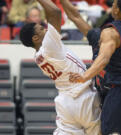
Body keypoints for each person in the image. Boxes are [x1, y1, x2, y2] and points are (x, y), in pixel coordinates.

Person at [62, 0, 121, 135]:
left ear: (116, 10)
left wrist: (84, 76)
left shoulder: (110, 33)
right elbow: (75, 16)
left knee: (109, 132)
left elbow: (103, 59)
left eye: (114, 4)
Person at [19, 0, 101, 135]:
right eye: (41, 29)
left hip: (65, 102)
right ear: (35, 38)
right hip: (82, 96)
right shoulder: (49, 46)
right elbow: (56, 12)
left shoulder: (38, 56)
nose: (46, 29)